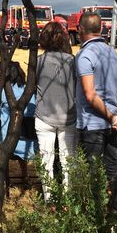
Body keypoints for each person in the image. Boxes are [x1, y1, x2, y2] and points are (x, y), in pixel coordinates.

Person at [75, 11, 117, 217]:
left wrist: (112, 117)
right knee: (112, 169)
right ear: (101, 29)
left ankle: (93, 217)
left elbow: (90, 95)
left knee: (91, 173)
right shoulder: (113, 54)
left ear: (80, 30)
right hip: (110, 125)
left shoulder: (85, 55)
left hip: (92, 124)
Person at [35, 21, 76, 201]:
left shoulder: (39, 62)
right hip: (69, 115)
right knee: (69, 162)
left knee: (46, 161)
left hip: (44, 115)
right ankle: (68, 201)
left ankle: (49, 200)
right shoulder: (73, 62)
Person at [0, 62, 38, 184]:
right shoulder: (29, 90)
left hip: (9, 142)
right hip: (32, 143)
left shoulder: (4, 92)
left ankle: (4, 180)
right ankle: (25, 175)